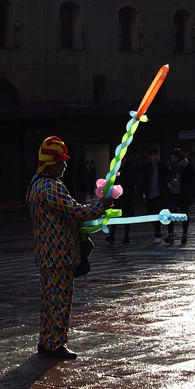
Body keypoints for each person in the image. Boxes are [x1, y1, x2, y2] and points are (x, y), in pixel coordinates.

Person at [25, 136, 113, 360]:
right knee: (61, 300)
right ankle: (56, 344)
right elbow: (76, 212)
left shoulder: (35, 185)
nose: (64, 165)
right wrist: (101, 206)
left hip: (46, 253)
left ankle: (46, 340)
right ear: (50, 164)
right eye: (60, 161)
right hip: (60, 253)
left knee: (49, 300)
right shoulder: (51, 187)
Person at [164, 148, 195, 245]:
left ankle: (184, 234)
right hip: (172, 194)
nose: (172, 160)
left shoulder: (187, 166)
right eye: (171, 158)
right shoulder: (169, 166)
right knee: (170, 214)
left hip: (184, 194)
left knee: (184, 215)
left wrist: (190, 191)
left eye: (174, 158)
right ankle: (170, 235)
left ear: (179, 157)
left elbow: (193, 180)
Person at [104, 154, 136, 244]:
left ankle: (126, 236)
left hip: (127, 197)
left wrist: (128, 194)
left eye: (124, 159)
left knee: (126, 217)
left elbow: (131, 184)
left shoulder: (129, 170)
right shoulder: (116, 170)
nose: (122, 161)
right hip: (117, 197)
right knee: (115, 216)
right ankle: (112, 236)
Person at [141, 148, 170, 244]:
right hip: (149, 195)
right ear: (150, 156)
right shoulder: (147, 167)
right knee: (150, 214)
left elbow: (167, 178)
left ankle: (157, 234)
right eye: (154, 155)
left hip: (159, 195)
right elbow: (144, 180)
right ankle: (157, 227)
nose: (156, 157)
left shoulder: (162, 166)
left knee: (158, 214)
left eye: (157, 155)